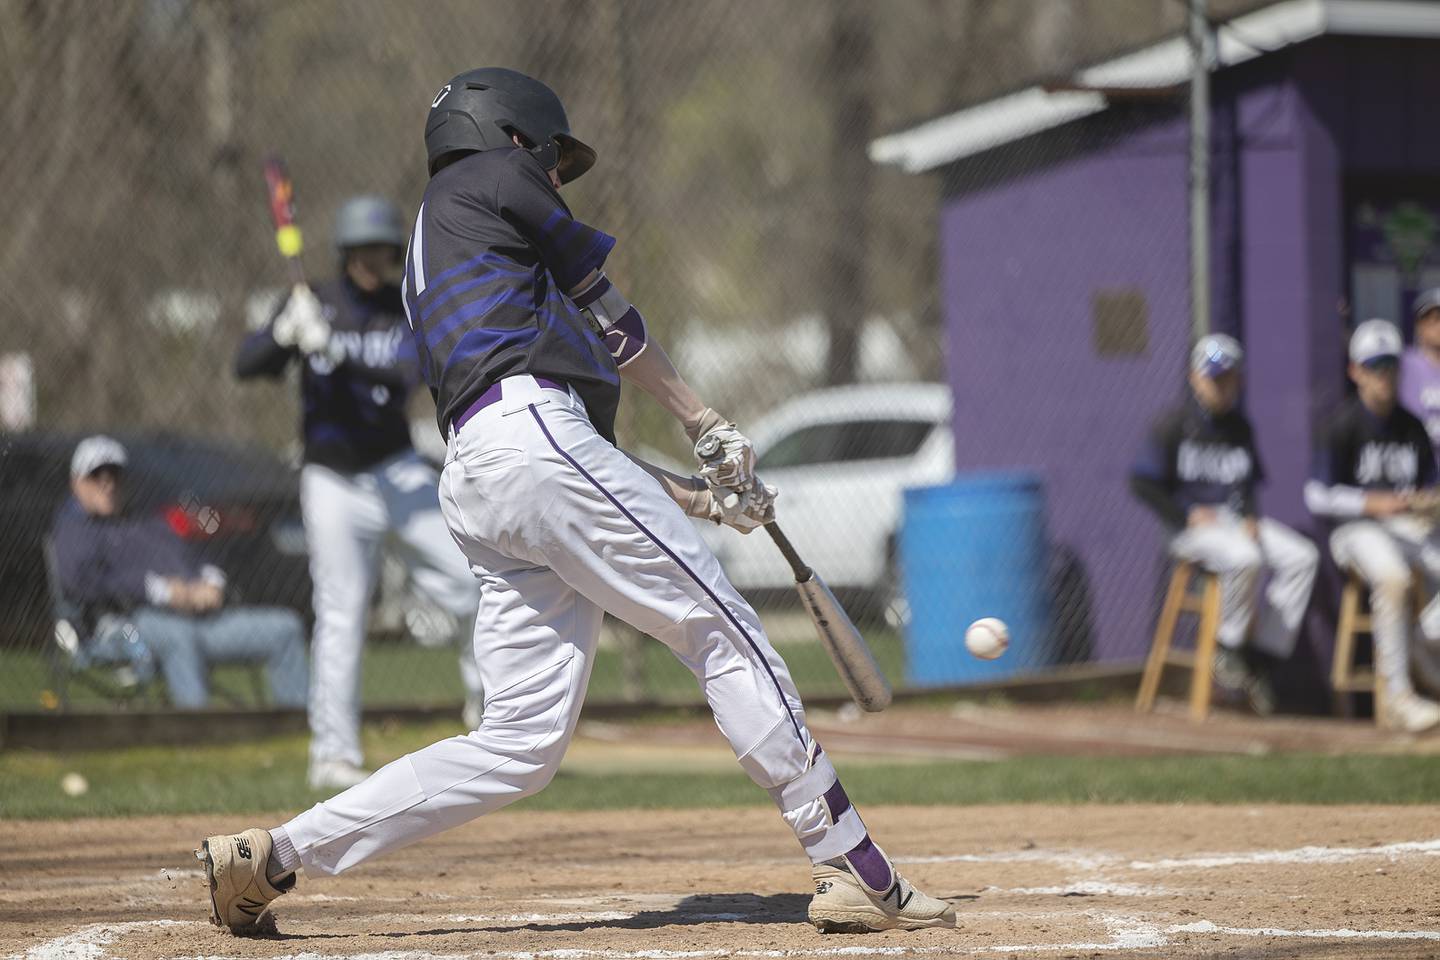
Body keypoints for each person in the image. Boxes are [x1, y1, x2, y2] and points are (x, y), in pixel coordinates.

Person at [199, 68, 954, 936]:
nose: (555, 176)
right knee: (723, 627)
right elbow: (612, 325)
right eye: (551, 158)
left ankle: (275, 855)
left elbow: (568, 458)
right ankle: (851, 863)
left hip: (485, 475)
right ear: (510, 133)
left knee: (517, 746)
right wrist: (706, 420)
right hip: (528, 447)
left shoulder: (452, 244)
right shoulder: (491, 173)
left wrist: (708, 501)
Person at [236, 195, 485, 791]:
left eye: (386, 249)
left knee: (474, 581)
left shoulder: (403, 308)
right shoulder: (311, 302)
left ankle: (492, 716)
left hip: (396, 471)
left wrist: (338, 352)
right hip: (332, 480)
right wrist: (281, 333)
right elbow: (246, 365)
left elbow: (404, 378)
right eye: (367, 250)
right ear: (347, 253)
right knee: (342, 613)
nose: (379, 260)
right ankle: (333, 754)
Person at [1130, 334, 1319, 712]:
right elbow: (1142, 482)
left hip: (1234, 524)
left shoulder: (1239, 428)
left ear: (1239, 379)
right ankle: (1229, 647)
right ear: (1194, 378)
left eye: (1227, 377)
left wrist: (1250, 514)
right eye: (1212, 377)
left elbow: (1246, 482)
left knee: (1303, 556)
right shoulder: (1173, 425)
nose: (1219, 386)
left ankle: (1261, 657)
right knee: (1246, 557)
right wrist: (1184, 513)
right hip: (1189, 531)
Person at [51, 435, 308, 709]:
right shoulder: (74, 529)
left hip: (195, 619)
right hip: (122, 631)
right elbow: (80, 582)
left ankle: (299, 726)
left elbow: (195, 557)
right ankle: (198, 733)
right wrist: (158, 590)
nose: (107, 482)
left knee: (285, 628)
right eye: (96, 474)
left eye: (114, 473)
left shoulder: (148, 523)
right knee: (176, 636)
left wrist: (211, 581)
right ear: (76, 482)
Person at [1306, 319, 1440, 733]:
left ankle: (1421, 640)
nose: (1384, 376)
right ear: (1356, 371)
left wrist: (1426, 501)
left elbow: (1428, 486)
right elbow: (1316, 495)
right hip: (1355, 531)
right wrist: (1372, 502)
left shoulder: (1411, 426)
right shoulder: (1342, 423)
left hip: (1408, 528)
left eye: (1391, 366)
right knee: (1395, 580)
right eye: (1375, 366)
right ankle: (1398, 695)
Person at [1399, 287, 1440, 449]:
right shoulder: (1403, 364)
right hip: (1415, 464)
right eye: (1434, 319)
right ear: (1419, 325)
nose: (1438, 326)